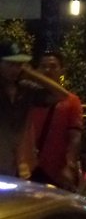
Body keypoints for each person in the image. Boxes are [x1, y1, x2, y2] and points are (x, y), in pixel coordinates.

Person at [0, 41, 71, 180]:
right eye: (10, 64)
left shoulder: (25, 90)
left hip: (13, 167)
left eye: (19, 65)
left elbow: (62, 95)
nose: (15, 69)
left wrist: (32, 74)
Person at [29, 50, 84, 190]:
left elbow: (75, 137)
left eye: (53, 66)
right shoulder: (27, 99)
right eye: (43, 66)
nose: (48, 70)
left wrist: (69, 165)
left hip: (57, 173)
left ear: (62, 70)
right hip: (29, 170)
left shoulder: (71, 101)